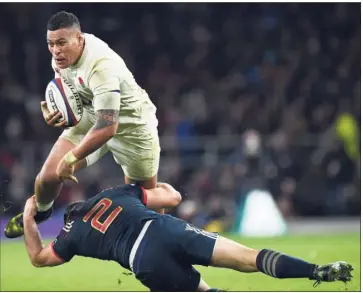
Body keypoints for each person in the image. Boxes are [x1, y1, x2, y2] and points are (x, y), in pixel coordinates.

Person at [20, 183, 353, 292]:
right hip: (163, 229)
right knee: (248, 259)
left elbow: (38, 258)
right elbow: (173, 197)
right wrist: (151, 185)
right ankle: (315, 272)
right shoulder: (116, 194)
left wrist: (27, 217)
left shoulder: (70, 235)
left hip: (144, 262)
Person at [5, 10, 161, 238]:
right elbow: (66, 90)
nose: (56, 50)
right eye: (50, 44)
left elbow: (108, 126)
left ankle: (164, 240)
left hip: (133, 127)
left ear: (79, 38)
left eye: (61, 43)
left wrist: (71, 158)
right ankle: (41, 213)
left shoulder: (101, 66)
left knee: (146, 203)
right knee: (47, 178)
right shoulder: (59, 58)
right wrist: (54, 110)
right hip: (91, 116)